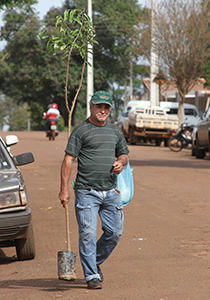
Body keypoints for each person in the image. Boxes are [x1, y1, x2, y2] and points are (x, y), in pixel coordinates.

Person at [58, 90, 129, 289]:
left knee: (114, 233)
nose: (103, 110)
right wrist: (64, 189)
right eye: (99, 106)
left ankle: (94, 261)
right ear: (91, 107)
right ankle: (91, 275)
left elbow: (124, 155)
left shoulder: (115, 131)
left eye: (106, 107)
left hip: (110, 192)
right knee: (87, 233)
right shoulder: (81, 131)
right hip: (86, 192)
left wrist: (120, 162)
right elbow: (68, 159)